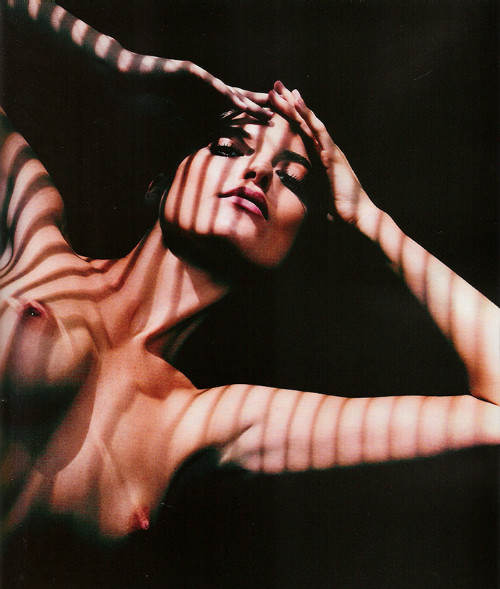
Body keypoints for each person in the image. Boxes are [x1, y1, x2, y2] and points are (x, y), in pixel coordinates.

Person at [1, 1, 499, 543]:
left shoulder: (208, 420)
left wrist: (371, 219)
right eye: (228, 146)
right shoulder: (37, 238)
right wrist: (122, 63)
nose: (259, 169)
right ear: (162, 183)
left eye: (294, 180)